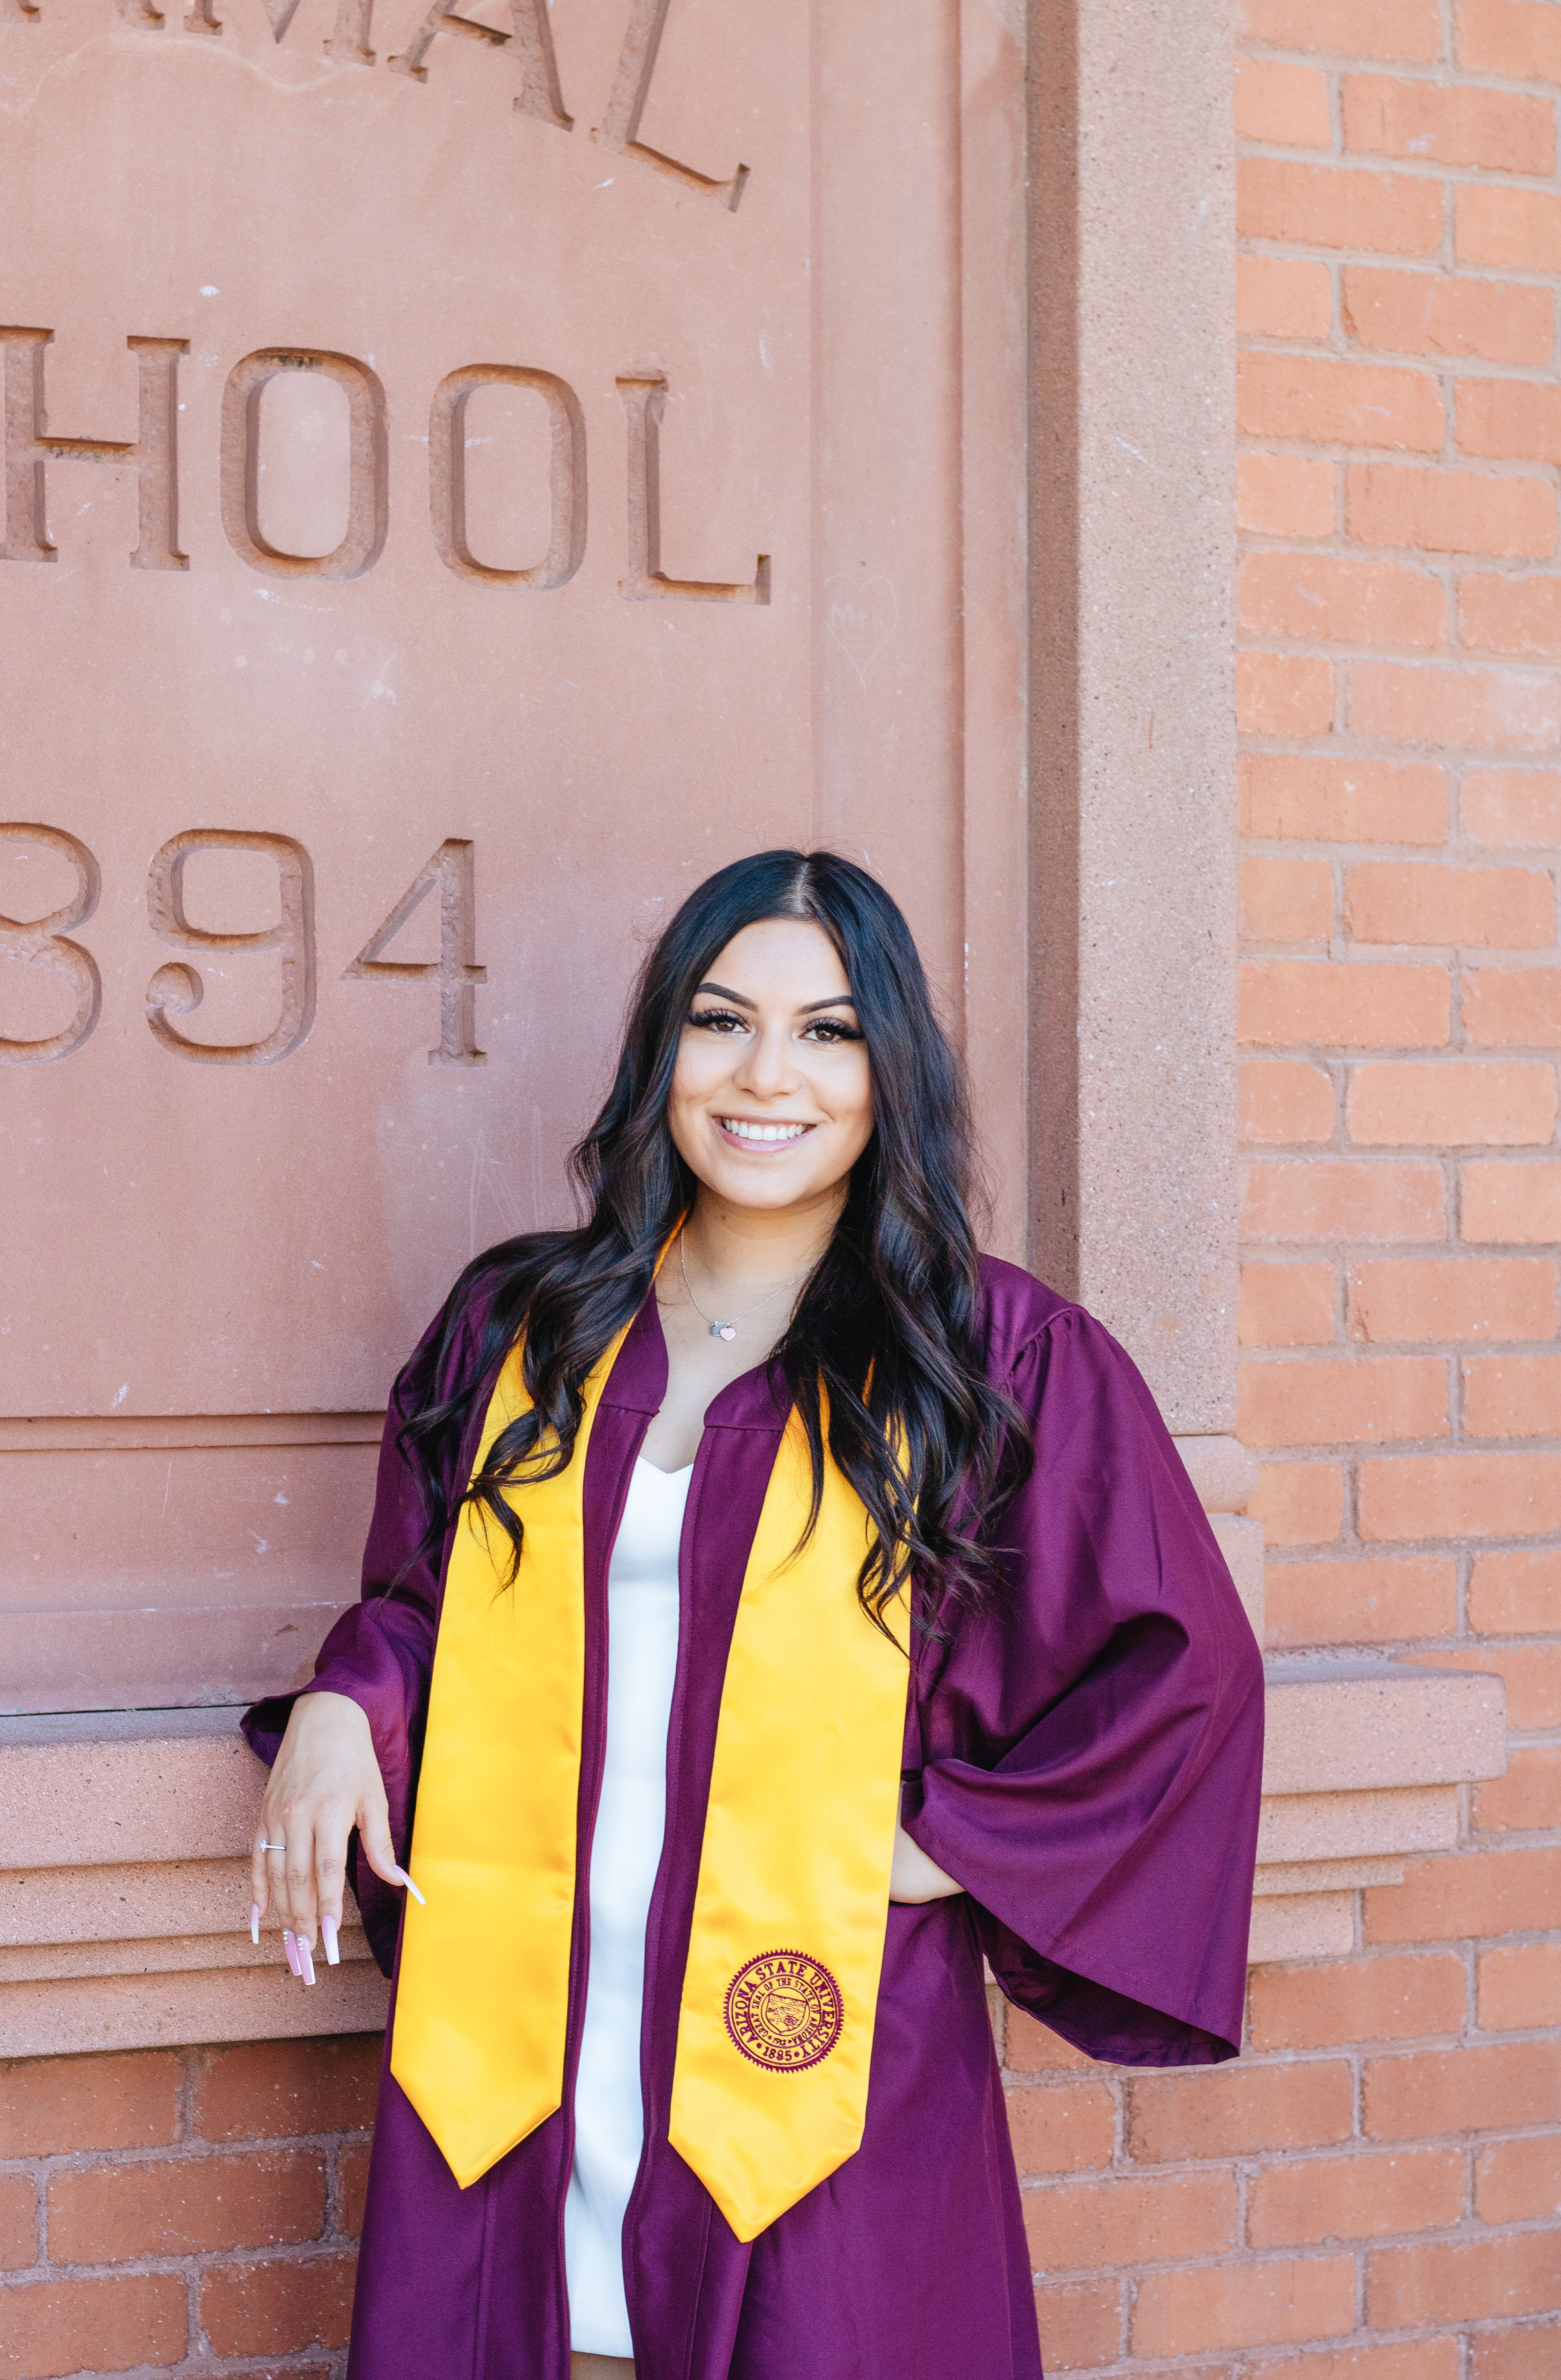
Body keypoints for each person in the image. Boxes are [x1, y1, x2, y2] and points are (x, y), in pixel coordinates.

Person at [245, 849, 1263, 2380]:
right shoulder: (529, 1326)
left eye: (828, 1032)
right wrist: (341, 1708)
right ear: (664, 1051)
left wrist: (940, 1852)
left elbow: (1181, 1678)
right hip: (529, 2014)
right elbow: (423, 1600)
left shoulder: (986, 1360)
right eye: (721, 1023)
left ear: (888, 1068)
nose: (766, 1076)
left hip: (806, 2045)